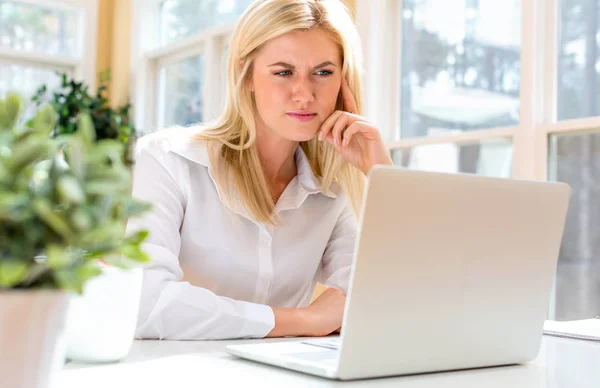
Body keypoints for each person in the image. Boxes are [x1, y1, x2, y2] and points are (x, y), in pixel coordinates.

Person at [127, 0, 392, 341]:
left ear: (343, 81)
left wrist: (380, 173)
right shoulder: (169, 160)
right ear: (246, 74)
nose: (304, 94)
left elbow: (374, 298)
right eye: (284, 72)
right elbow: (144, 302)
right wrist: (304, 321)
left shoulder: (331, 192)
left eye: (323, 73)